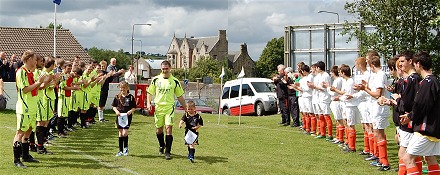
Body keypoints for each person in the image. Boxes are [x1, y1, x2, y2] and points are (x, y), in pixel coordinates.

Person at [400, 51, 440, 175]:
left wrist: (410, 116)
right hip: (434, 128)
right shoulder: (434, 81)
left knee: (408, 158)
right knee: (430, 157)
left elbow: (422, 106)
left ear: (419, 64)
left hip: (425, 129)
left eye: (415, 64)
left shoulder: (427, 83)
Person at [12, 50, 48, 168]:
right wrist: (39, 82)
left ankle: (25, 155)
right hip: (25, 107)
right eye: (34, 59)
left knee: (28, 131)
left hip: (32, 106)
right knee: (20, 132)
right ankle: (16, 159)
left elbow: (35, 89)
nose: (36, 61)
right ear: (28, 59)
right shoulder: (21, 72)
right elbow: (25, 89)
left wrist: (42, 83)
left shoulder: (30, 72)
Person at [147, 60, 186, 160]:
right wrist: (148, 103)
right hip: (158, 108)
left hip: (169, 108)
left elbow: (180, 96)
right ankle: (161, 145)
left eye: (166, 68)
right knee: (159, 129)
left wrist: (186, 108)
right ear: (161, 69)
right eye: (163, 68)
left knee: (169, 128)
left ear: (170, 68)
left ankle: (168, 152)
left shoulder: (175, 81)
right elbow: (150, 92)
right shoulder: (155, 79)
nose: (164, 70)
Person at [358, 55, 391, 171]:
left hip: (379, 108)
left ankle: (384, 162)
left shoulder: (380, 75)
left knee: (378, 133)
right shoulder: (378, 75)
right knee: (377, 133)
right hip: (375, 107)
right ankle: (380, 159)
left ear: (372, 65)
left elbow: (377, 94)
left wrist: (365, 89)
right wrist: (366, 87)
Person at [112, 81, 136, 157]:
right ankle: (120, 150)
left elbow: (134, 107)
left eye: (124, 88)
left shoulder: (131, 97)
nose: (123, 90)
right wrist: (116, 111)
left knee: (125, 133)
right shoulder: (117, 97)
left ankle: (126, 148)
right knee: (120, 133)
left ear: (127, 88)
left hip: (127, 117)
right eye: (121, 88)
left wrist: (130, 111)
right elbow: (114, 106)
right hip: (119, 117)